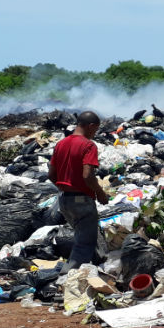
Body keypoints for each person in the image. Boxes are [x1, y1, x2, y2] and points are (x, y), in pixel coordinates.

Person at [48, 111, 109, 272]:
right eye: (95, 130)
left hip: (63, 200)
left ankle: (94, 267)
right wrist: (100, 193)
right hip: (81, 200)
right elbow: (88, 175)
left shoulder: (61, 144)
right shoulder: (88, 145)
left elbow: (51, 175)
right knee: (84, 242)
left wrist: (64, 187)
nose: (94, 134)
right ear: (91, 126)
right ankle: (67, 278)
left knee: (83, 236)